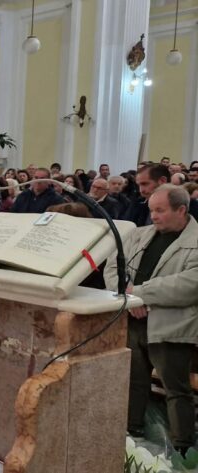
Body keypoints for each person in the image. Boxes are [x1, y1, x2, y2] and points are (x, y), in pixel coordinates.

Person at [106, 185, 198, 455]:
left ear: (181, 210)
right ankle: (131, 434)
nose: (153, 216)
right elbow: (114, 265)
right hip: (134, 320)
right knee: (133, 381)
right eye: (151, 210)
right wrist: (129, 296)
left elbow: (189, 284)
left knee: (175, 388)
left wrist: (141, 294)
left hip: (171, 325)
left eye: (160, 210)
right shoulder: (140, 234)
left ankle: (182, 446)